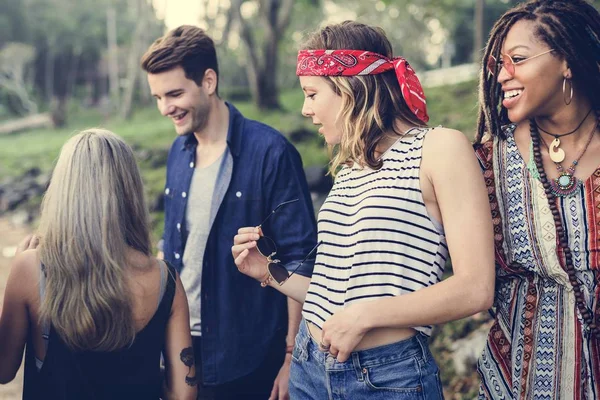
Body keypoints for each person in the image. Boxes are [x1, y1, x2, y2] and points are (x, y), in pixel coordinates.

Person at [232, 21, 495, 399]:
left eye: (311, 93)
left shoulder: (440, 148)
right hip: (310, 367)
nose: (305, 109)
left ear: (349, 86)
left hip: (384, 378)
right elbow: (334, 295)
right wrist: (269, 272)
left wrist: (367, 316)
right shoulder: (353, 168)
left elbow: (476, 288)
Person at [141, 25, 317, 399]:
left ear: (208, 80)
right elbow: (173, 249)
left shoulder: (272, 153)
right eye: (157, 97)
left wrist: (291, 359)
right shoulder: (178, 153)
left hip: (249, 356)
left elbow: (300, 259)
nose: (164, 108)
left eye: (174, 93)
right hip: (180, 344)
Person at [0, 129, 196, 400]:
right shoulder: (165, 279)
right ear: (129, 189)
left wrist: (20, 267)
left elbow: (4, 370)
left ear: (63, 189)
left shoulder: (31, 269)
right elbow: (184, 394)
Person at [473, 1, 600, 398]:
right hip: (518, 383)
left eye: (518, 59)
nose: (501, 73)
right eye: (498, 61)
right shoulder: (484, 164)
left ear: (567, 60)